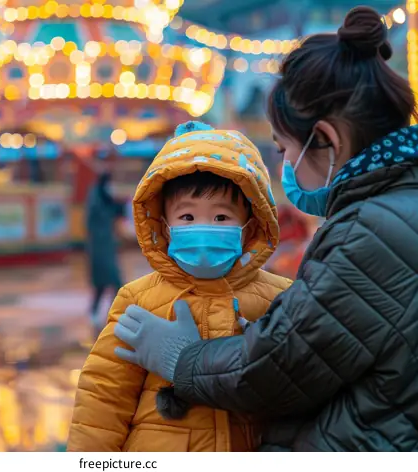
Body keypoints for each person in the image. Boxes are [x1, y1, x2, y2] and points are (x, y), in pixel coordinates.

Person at [113, 7, 418, 451]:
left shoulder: (369, 232)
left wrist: (183, 358)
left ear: (326, 141)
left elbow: (276, 369)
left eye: (283, 149)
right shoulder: (393, 206)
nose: (285, 166)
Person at [68, 122, 291, 452]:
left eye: (221, 218)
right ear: (164, 223)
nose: (203, 228)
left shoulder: (280, 297)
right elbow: (104, 397)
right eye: (187, 217)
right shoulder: (139, 299)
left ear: (250, 223)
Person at [85, 170, 124, 320]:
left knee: (107, 283)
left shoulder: (104, 198)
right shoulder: (97, 198)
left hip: (106, 247)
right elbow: (96, 218)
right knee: (110, 282)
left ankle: (110, 311)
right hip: (99, 248)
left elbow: (115, 211)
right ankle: (112, 312)